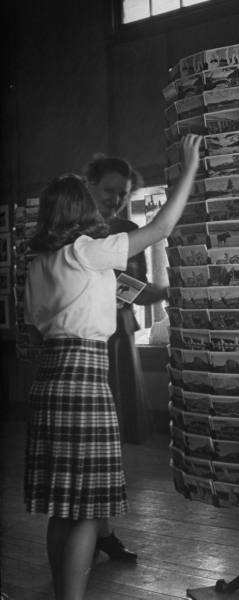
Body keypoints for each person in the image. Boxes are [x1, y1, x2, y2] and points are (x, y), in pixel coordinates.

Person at [23, 134, 201, 600]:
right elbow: (161, 229)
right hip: (84, 380)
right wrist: (188, 172)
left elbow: (39, 329)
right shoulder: (84, 250)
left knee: (61, 509)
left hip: (50, 379)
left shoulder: (40, 262)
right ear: (78, 211)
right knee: (85, 509)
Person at [83, 154, 168, 561]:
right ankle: (97, 529)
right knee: (94, 444)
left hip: (118, 338)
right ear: (89, 187)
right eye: (108, 192)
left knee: (110, 444)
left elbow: (135, 287)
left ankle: (102, 529)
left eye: (122, 194)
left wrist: (163, 292)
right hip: (87, 343)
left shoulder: (126, 229)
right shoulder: (76, 234)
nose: (115, 200)